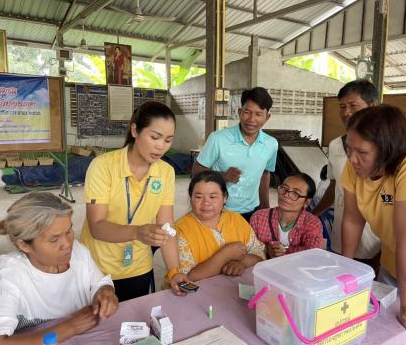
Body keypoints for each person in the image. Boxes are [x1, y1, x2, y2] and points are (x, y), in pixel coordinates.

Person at [341, 105, 406, 345]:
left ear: (388, 150)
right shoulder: (356, 165)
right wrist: (345, 273)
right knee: (382, 332)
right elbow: (352, 220)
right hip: (393, 269)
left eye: (362, 152)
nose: (352, 159)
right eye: (349, 149)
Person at [81, 101, 190, 302]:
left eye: (168, 140)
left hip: (139, 266)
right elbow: (97, 226)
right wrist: (138, 232)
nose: (161, 146)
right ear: (135, 131)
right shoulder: (103, 166)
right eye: (154, 137)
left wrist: (174, 271)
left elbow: (167, 227)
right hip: (98, 269)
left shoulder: (166, 172)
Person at [0, 192, 118, 345]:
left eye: (69, 231)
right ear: (23, 245)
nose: (68, 243)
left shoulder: (79, 252)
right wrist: (71, 327)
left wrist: (105, 292)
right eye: (54, 239)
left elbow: (100, 283)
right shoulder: (9, 276)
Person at [312, 80, 380, 265]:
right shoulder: (335, 145)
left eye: (353, 105)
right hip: (341, 234)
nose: (347, 112)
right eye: (342, 106)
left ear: (372, 106)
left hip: (376, 240)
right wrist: (314, 212)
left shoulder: (386, 146)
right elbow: (335, 186)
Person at [192, 87, 278, 222]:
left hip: (252, 212)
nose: (251, 119)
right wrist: (222, 175)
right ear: (240, 112)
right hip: (218, 212)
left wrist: (265, 206)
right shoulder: (218, 138)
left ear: (267, 117)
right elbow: (196, 171)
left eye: (258, 114)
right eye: (247, 112)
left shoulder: (271, 144)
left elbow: (265, 174)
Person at [175, 171, 265, 280]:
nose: (206, 203)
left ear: (225, 198)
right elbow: (186, 279)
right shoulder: (180, 230)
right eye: (198, 197)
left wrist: (242, 263)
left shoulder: (236, 219)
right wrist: (225, 254)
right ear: (191, 198)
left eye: (213, 197)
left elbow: (260, 256)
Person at [250, 173, 323, 258]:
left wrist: (284, 250)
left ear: (306, 202)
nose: (286, 195)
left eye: (295, 193)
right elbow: (249, 248)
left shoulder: (312, 222)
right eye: (284, 188)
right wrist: (266, 250)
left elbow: (314, 253)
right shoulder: (258, 218)